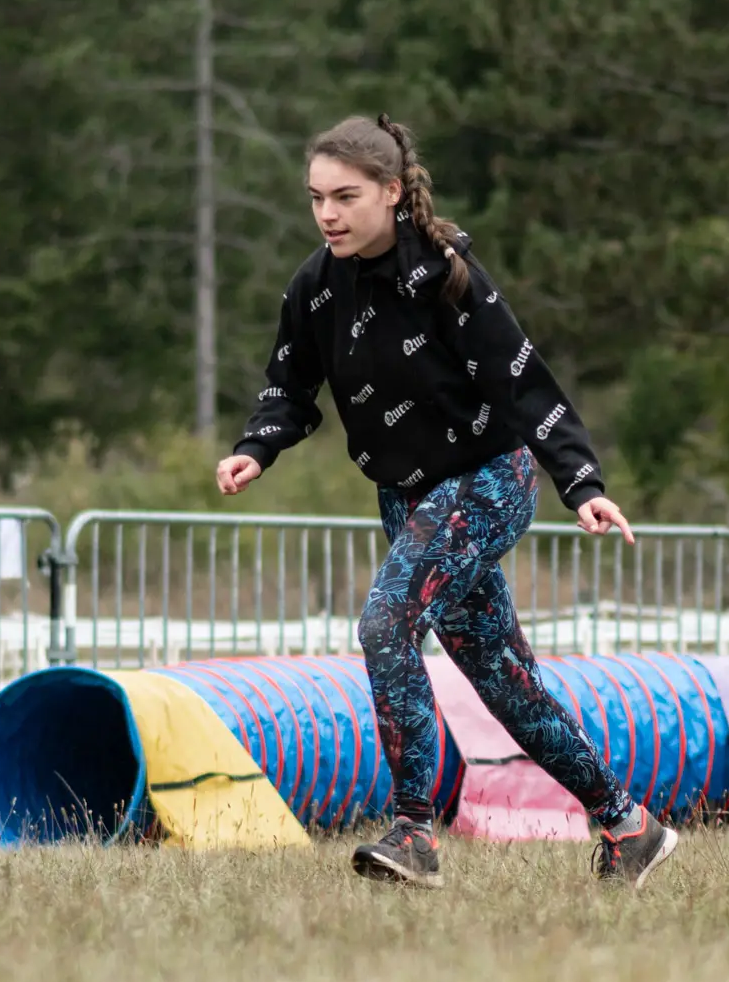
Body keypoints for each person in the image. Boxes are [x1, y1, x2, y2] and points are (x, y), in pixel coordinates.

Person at [215, 113, 678, 889]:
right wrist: (255, 446)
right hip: (408, 500)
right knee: (505, 684)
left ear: (392, 192)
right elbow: (289, 387)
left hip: (490, 481)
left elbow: (521, 379)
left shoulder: (445, 272)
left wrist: (583, 484)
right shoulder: (314, 287)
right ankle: (629, 824)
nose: (327, 213)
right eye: (315, 197)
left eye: (346, 196)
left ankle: (412, 833)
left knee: (386, 622)